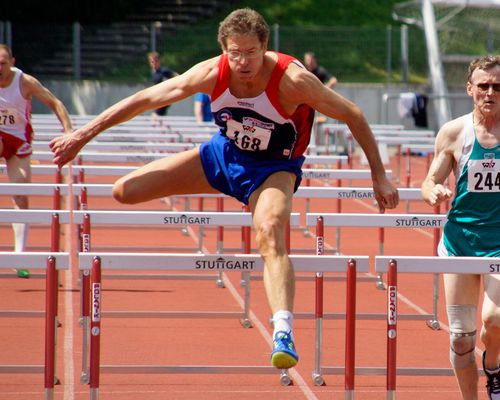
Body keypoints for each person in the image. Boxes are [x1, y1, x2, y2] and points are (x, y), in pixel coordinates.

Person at [50, 8, 398, 370]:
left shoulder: (293, 80)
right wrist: (81, 136)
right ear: (223, 49)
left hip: (273, 168)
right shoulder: (210, 73)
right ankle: (232, 191)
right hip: (223, 156)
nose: (243, 62)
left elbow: (353, 113)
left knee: (269, 232)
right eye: (235, 53)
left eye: (251, 52)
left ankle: (283, 331)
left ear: (265, 46)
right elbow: (144, 100)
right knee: (125, 190)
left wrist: (379, 176)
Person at [421, 55, 500, 400]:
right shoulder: (454, 132)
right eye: (483, 86)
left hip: (499, 243)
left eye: (497, 86)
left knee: (495, 320)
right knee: (460, 337)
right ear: (470, 89)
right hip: (460, 243)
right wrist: (433, 191)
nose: (490, 92)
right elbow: (429, 180)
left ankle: (494, 367)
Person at [0, 44, 73, 278]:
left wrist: (70, 131)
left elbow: (55, 103)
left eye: (3, 62)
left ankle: (20, 256)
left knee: (21, 196)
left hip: (19, 142)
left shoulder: (25, 82)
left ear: (12, 61)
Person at [147, 51, 177, 123]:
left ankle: (162, 131)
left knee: (155, 117)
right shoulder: (154, 73)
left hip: (164, 97)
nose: (154, 63)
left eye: (155, 61)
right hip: (158, 98)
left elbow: (176, 76)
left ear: (159, 61)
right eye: (152, 62)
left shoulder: (164, 71)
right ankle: (165, 131)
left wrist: (171, 89)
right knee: (160, 119)